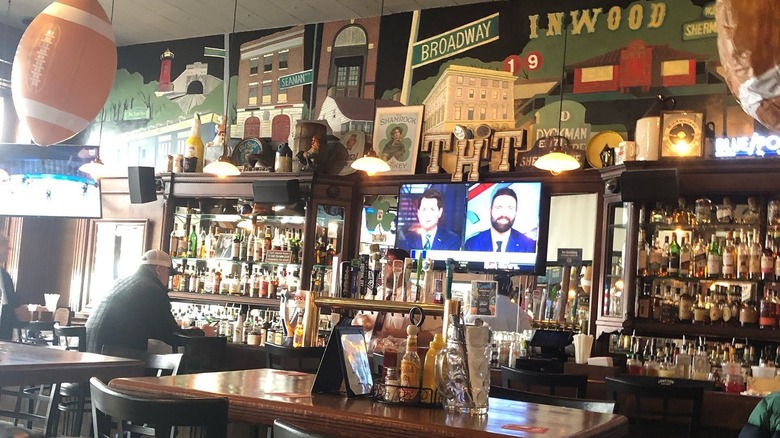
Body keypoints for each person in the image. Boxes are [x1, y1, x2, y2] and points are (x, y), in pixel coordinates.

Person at [86, 249, 202, 353]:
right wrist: (200, 333)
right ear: (159, 270)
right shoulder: (152, 290)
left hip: (90, 354)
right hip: (116, 360)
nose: (168, 280)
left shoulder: (118, 283)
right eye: (169, 274)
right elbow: (172, 336)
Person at [352, 248, 441, 348]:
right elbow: (355, 322)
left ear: (401, 267)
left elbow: (434, 336)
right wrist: (361, 321)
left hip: (399, 360)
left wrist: (400, 335)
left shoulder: (421, 297)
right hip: (366, 357)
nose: (383, 269)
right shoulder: (375, 293)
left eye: (388, 265)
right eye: (382, 265)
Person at [464, 186, 536, 252]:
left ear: (516, 212)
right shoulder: (472, 243)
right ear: (490, 210)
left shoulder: (529, 245)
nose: (504, 214)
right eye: (498, 207)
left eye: (510, 208)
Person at [464, 273, 532, 332]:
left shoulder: (480, 305)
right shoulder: (518, 311)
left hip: (479, 345)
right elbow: (528, 334)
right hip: (509, 346)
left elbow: (466, 325)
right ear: (510, 290)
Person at [0, 236, 21, 341]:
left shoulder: (5, 276)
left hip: (4, 331)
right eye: (5, 246)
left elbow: (13, 304)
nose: (9, 250)